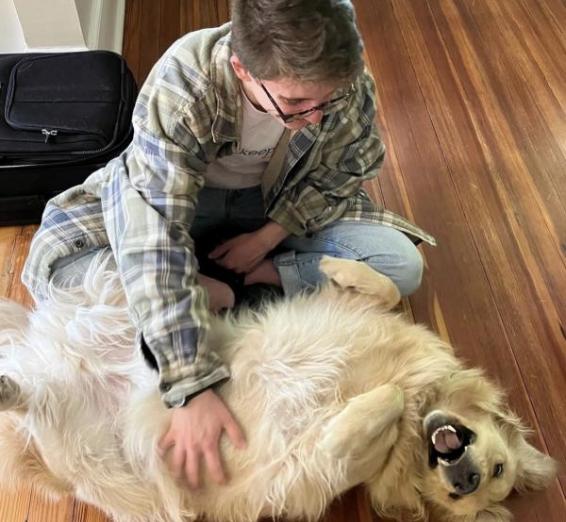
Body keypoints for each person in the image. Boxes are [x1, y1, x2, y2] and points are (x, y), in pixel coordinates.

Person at [22, 0, 435, 490]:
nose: (314, 117)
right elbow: (154, 229)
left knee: (400, 265)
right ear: (242, 68)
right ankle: (213, 297)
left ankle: (238, 289)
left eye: (326, 101)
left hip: (274, 202)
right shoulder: (185, 81)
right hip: (184, 203)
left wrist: (266, 239)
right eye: (296, 103)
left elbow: (348, 167)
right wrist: (191, 386)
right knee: (61, 275)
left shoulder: (340, 77)